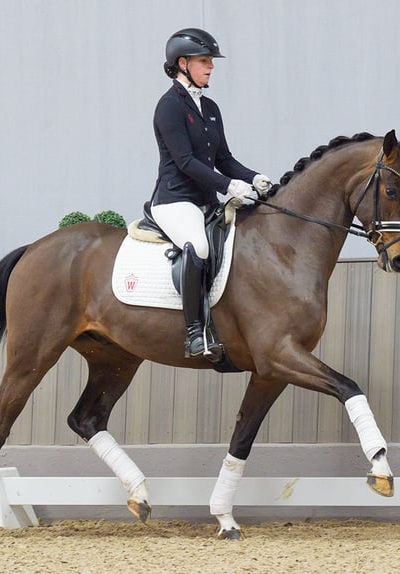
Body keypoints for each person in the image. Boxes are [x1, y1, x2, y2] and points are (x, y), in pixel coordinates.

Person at [149, 27, 272, 359]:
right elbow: (186, 161)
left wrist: (255, 178)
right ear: (183, 63)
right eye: (205, 61)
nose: (211, 67)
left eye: (210, 62)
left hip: (206, 201)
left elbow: (224, 159)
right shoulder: (169, 107)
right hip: (175, 200)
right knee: (199, 247)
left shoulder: (211, 107)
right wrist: (228, 186)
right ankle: (194, 333)